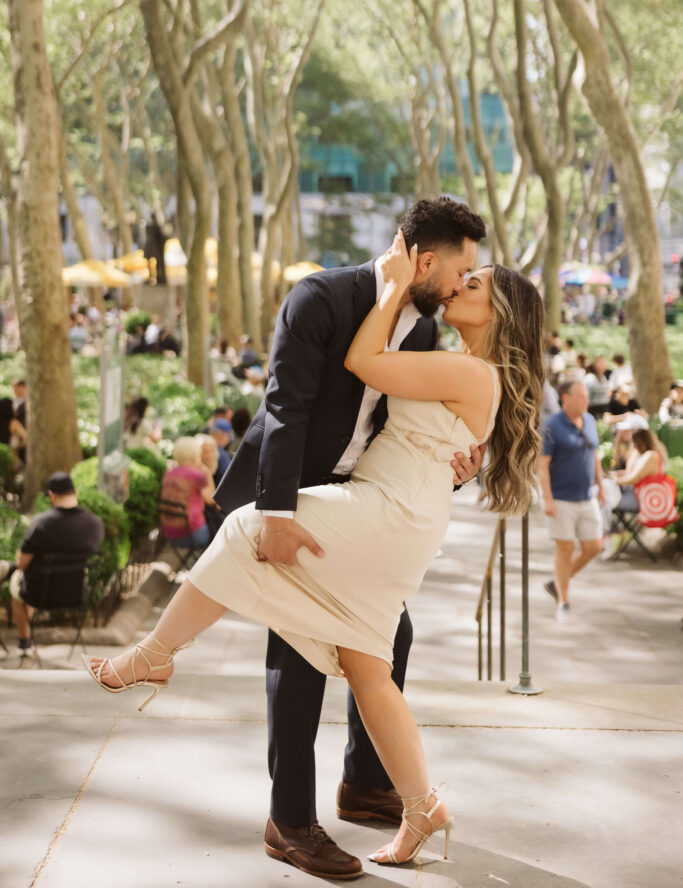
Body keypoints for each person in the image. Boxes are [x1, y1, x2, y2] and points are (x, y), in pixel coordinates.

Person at [82, 232, 544, 873]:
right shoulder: (445, 353)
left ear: (499, 315)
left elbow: (364, 364)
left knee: (249, 531)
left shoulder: (462, 365)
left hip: (388, 508)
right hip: (402, 510)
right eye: (464, 272)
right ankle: (421, 806)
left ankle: (154, 656)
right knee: (366, 664)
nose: (461, 284)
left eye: (475, 284)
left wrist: (387, 292)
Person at [208, 195, 487, 876]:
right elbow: (283, 410)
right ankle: (290, 821)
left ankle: (364, 784)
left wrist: (459, 463)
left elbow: (408, 432)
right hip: (293, 498)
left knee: (392, 635)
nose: (461, 285)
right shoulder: (321, 298)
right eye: (459, 271)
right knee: (299, 654)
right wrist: (275, 518)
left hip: (357, 503)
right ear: (423, 260)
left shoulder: (421, 330)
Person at [7, 471, 103, 652]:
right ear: (75, 492)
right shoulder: (94, 523)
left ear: (51, 495)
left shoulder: (41, 523)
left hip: (41, 595)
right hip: (77, 593)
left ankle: (25, 641)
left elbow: (22, 564)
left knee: (18, 584)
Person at [540, 380, 606, 621]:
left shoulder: (589, 420)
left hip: (586, 496)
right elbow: (542, 464)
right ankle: (563, 600)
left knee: (594, 546)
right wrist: (547, 498)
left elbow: (594, 454)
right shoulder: (552, 425)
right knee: (565, 548)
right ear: (565, 398)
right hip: (561, 498)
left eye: (587, 397)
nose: (586, 401)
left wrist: (600, 485)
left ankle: (557, 582)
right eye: (581, 396)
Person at [160, 438, 215, 554]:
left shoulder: (169, 474)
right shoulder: (197, 475)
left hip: (171, 534)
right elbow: (211, 500)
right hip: (193, 535)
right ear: (196, 454)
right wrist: (208, 473)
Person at [0, 396, 27, 468]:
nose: (14, 409)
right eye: (12, 406)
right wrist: (22, 443)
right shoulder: (13, 423)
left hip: (23, 456)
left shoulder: (2, 428)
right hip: (28, 450)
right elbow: (27, 437)